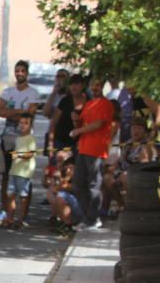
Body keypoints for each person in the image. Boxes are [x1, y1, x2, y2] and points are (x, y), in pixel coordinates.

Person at [0, 60, 41, 219]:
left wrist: (13, 112)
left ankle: (22, 216)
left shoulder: (33, 93)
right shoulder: (7, 92)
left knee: (24, 176)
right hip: (7, 138)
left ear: (27, 73)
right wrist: (19, 112)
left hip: (24, 140)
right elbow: (0, 112)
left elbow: (29, 114)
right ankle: (6, 212)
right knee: (6, 176)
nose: (19, 73)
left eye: (22, 71)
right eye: (17, 71)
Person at [69, 75, 115, 229]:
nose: (95, 88)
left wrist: (78, 130)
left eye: (98, 85)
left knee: (94, 185)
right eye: (93, 85)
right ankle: (88, 216)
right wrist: (75, 119)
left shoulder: (106, 104)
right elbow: (81, 123)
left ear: (104, 87)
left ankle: (93, 219)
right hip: (83, 148)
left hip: (96, 150)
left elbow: (98, 124)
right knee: (77, 184)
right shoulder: (89, 104)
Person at [5, 113, 40, 229]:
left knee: (23, 197)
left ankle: (20, 219)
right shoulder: (18, 138)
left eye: (26, 123)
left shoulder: (31, 139)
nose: (23, 125)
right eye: (21, 122)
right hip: (14, 170)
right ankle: (10, 218)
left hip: (24, 173)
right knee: (10, 195)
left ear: (31, 125)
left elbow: (30, 154)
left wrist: (18, 155)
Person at [48, 73, 88, 158]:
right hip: (61, 142)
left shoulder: (89, 102)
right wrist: (50, 143)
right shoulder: (65, 101)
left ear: (83, 86)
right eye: (71, 84)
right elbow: (53, 122)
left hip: (80, 144)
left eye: (76, 84)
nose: (74, 87)